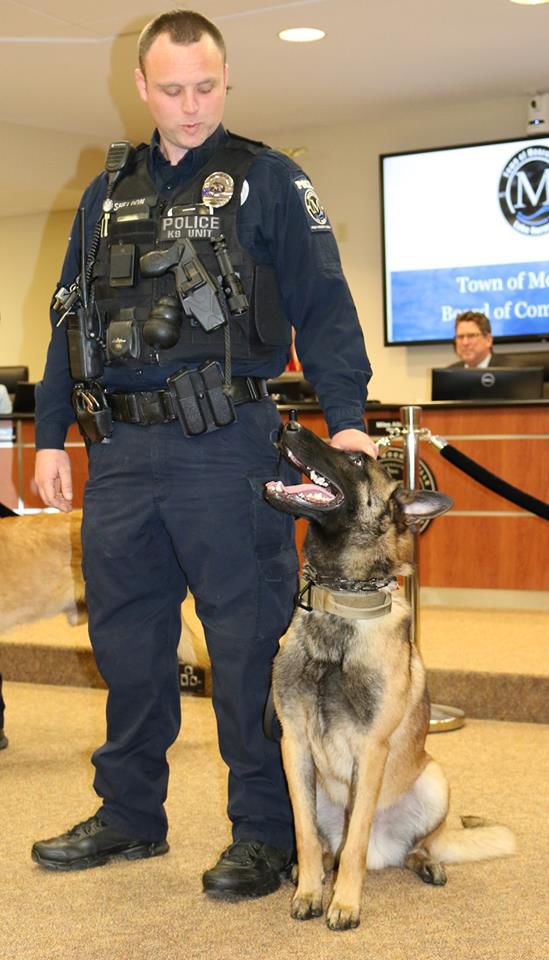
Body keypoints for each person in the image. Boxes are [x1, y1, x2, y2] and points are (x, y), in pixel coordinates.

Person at [31, 9, 377, 898]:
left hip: (228, 447)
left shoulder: (267, 180)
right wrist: (51, 434)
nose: (190, 106)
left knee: (248, 643)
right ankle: (129, 816)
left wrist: (344, 417)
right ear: (141, 88)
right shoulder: (108, 192)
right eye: (173, 89)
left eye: (206, 87)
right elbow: (69, 317)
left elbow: (326, 308)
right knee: (129, 642)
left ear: (226, 82)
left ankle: (264, 831)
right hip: (122, 457)